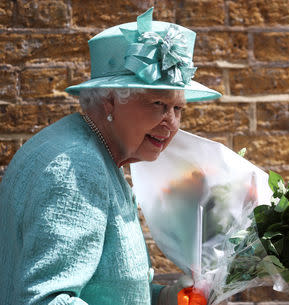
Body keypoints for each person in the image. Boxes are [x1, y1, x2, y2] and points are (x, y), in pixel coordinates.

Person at [0, 7, 221, 305]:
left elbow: (109, 290)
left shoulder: (90, 151)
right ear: (109, 102)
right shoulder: (77, 167)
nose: (171, 122)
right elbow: (46, 300)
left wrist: (170, 298)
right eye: (157, 103)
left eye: (177, 108)